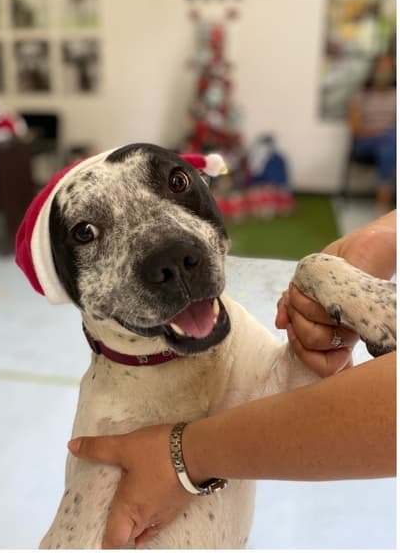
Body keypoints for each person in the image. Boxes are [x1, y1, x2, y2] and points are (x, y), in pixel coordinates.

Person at [67, 211, 397, 549]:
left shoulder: (235, 328)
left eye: (178, 183)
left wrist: (184, 457)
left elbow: (325, 406)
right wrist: (382, 235)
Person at [348, 53, 396, 214]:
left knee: (390, 144)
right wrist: (380, 133)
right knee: (390, 141)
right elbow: (356, 130)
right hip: (365, 145)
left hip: (390, 144)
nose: (384, 71)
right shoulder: (361, 95)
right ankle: (384, 204)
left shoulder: (396, 96)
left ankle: (382, 204)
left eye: (388, 68)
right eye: (381, 67)